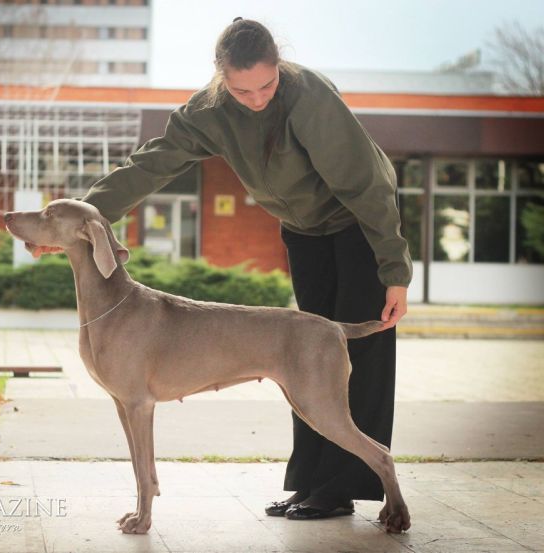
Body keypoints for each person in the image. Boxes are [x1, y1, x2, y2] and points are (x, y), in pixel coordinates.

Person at [33, 18, 412, 520]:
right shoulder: (208, 112)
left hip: (359, 225)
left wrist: (395, 270)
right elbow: (150, 165)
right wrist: (84, 217)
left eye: (267, 85)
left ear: (280, 68)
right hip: (303, 231)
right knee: (301, 359)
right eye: (242, 89)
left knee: (360, 355)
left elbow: (367, 185)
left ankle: (346, 488)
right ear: (220, 78)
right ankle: (314, 482)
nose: (257, 98)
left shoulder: (308, 96)